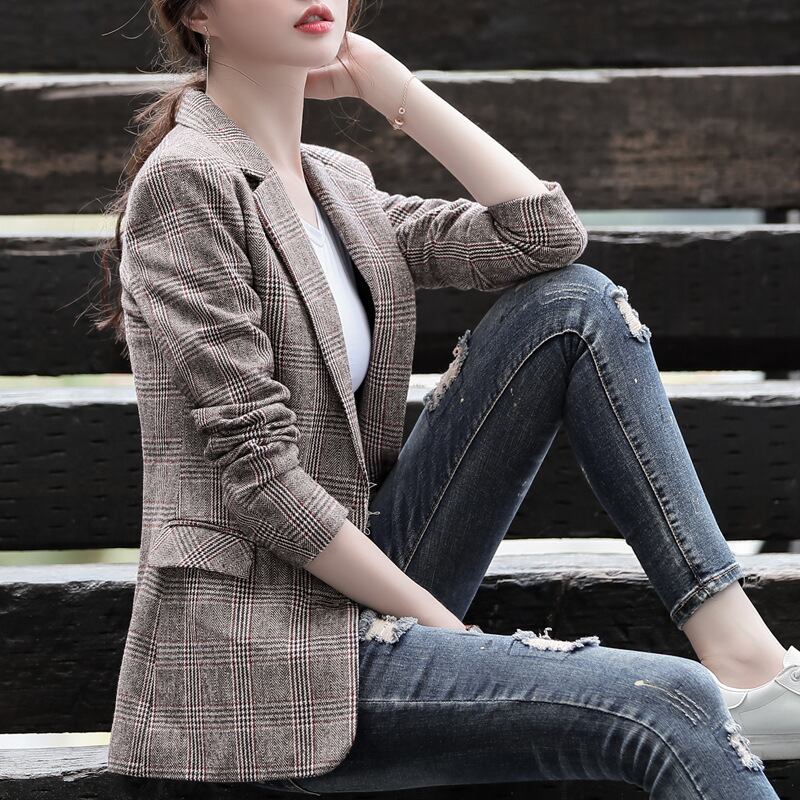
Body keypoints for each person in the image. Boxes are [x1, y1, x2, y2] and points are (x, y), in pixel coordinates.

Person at [93, 1, 797, 796]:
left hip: (365, 584)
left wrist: (396, 91)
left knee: (575, 305)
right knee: (672, 701)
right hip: (262, 653)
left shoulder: (335, 185)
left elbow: (543, 237)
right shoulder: (187, 180)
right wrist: (448, 633)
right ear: (199, 13)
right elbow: (259, 479)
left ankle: (748, 658)